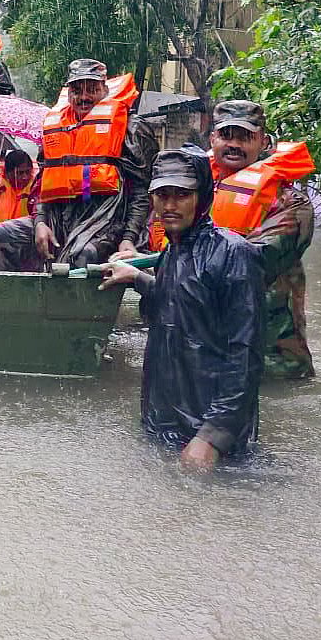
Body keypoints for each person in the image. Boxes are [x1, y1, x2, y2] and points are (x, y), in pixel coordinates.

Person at [101, 146, 265, 472]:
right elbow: (174, 303)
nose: (170, 206)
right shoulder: (171, 252)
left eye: (181, 195)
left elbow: (245, 356)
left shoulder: (234, 254)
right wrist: (137, 277)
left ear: (202, 197)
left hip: (211, 435)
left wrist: (212, 436)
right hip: (162, 419)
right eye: (162, 195)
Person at [0, 59, 157, 272]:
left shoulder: (131, 128)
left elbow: (142, 192)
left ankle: (68, 306)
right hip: (58, 220)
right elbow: (44, 184)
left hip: (107, 223)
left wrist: (129, 238)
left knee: (82, 253)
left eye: (92, 89)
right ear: (68, 92)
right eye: (76, 90)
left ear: (105, 90)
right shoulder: (57, 128)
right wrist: (41, 222)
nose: (84, 97)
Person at [209, 100, 316, 381]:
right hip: (212, 347)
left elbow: (255, 259)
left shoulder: (292, 204)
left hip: (272, 354)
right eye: (226, 135)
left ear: (264, 142)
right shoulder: (195, 192)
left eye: (245, 137)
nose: (234, 144)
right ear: (212, 139)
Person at [0, 149, 39, 223]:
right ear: (7, 172)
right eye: (20, 173)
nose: (25, 177)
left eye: (27, 172)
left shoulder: (36, 189)